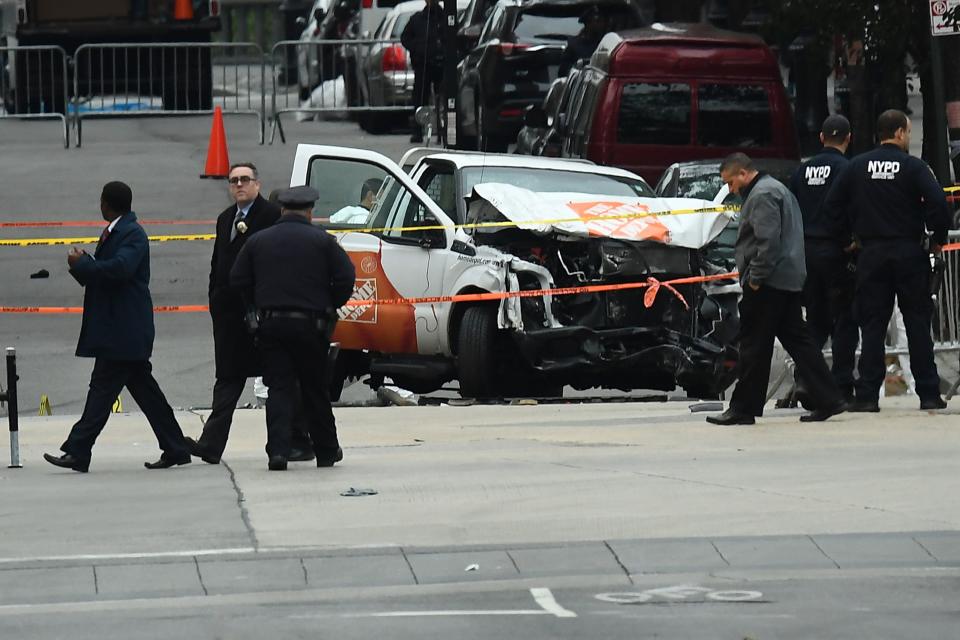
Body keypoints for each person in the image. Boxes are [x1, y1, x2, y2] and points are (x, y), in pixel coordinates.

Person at [44, 182, 191, 472]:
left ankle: (78, 450)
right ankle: (175, 447)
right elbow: (108, 272)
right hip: (121, 331)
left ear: (106, 203)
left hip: (124, 331)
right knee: (147, 394)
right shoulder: (118, 230)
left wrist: (83, 265)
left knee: (101, 391)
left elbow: (120, 270)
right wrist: (84, 264)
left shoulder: (132, 234)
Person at [823, 109, 952, 412]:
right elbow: (937, 202)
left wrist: (848, 240)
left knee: (872, 325)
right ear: (898, 133)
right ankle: (929, 393)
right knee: (918, 323)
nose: (909, 136)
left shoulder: (856, 167)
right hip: (909, 253)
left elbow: (831, 206)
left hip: (872, 254)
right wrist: (937, 239)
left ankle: (867, 395)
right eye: (908, 131)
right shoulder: (913, 167)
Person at [186, 164, 316, 464]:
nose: (239, 185)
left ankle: (294, 441)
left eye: (245, 180)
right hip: (229, 318)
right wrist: (215, 300)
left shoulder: (271, 217)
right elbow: (218, 263)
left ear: (257, 183)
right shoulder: (225, 218)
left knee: (280, 382)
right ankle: (211, 445)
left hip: (261, 315)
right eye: (234, 181)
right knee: (228, 380)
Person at [707, 153, 846, 426]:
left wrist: (756, 278)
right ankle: (829, 397)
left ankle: (743, 408)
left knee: (753, 345)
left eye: (731, 182)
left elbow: (767, 242)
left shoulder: (761, 196)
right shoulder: (776, 188)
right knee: (799, 342)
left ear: (744, 173)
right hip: (787, 279)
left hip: (769, 282)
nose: (731, 190)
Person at [230, 186, 356, 470]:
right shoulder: (323, 242)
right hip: (312, 327)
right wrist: (329, 304)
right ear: (309, 211)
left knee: (279, 389)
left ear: (282, 210)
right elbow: (347, 278)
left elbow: (237, 279)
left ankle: (278, 451)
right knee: (315, 389)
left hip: (272, 326)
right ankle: (325, 451)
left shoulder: (258, 241)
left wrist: (254, 306)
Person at [789, 114, 858, 403]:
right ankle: (841, 385)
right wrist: (849, 242)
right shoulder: (847, 169)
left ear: (820, 138)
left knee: (814, 324)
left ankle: (806, 380)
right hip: (836, 253)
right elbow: (852, 209)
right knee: (844, 320)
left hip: (806, 253)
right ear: (848, 138)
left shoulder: (801, 172)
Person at [401, 0, 444, 143]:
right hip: (422, 65)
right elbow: (405, 38)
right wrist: (418, 49)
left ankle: (442, 132)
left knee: (442, 100)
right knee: (420, 99)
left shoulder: (445, 17)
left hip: (441, 65)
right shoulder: (417, 19)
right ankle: (418, 132)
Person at [559, 6, 607, 77]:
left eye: (602, 21)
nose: (601, 24)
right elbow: (564, 71)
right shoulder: (573, 45)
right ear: (588, 24)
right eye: (597, 21)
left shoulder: (604, 44)